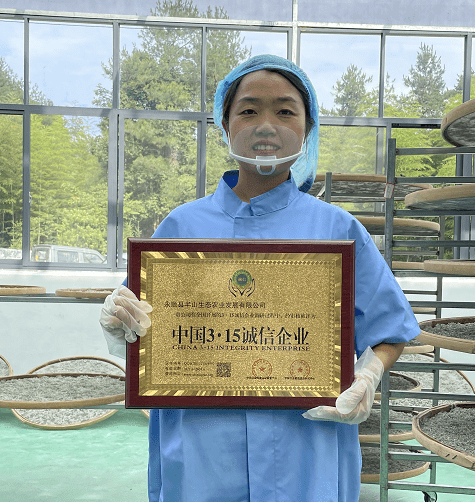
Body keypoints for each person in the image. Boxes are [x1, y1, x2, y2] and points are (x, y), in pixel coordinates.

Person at [100, 54, 420, 502]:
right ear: (224, 124)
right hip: (201, 452)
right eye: (249, 110)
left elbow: (390, 331)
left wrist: (368, 376)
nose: (266, 126)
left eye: (285, 111)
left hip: (305, 450)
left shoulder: (337, 230)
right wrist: (121, 323)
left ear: (308, 128)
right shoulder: (181, 227)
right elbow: (145, 326)